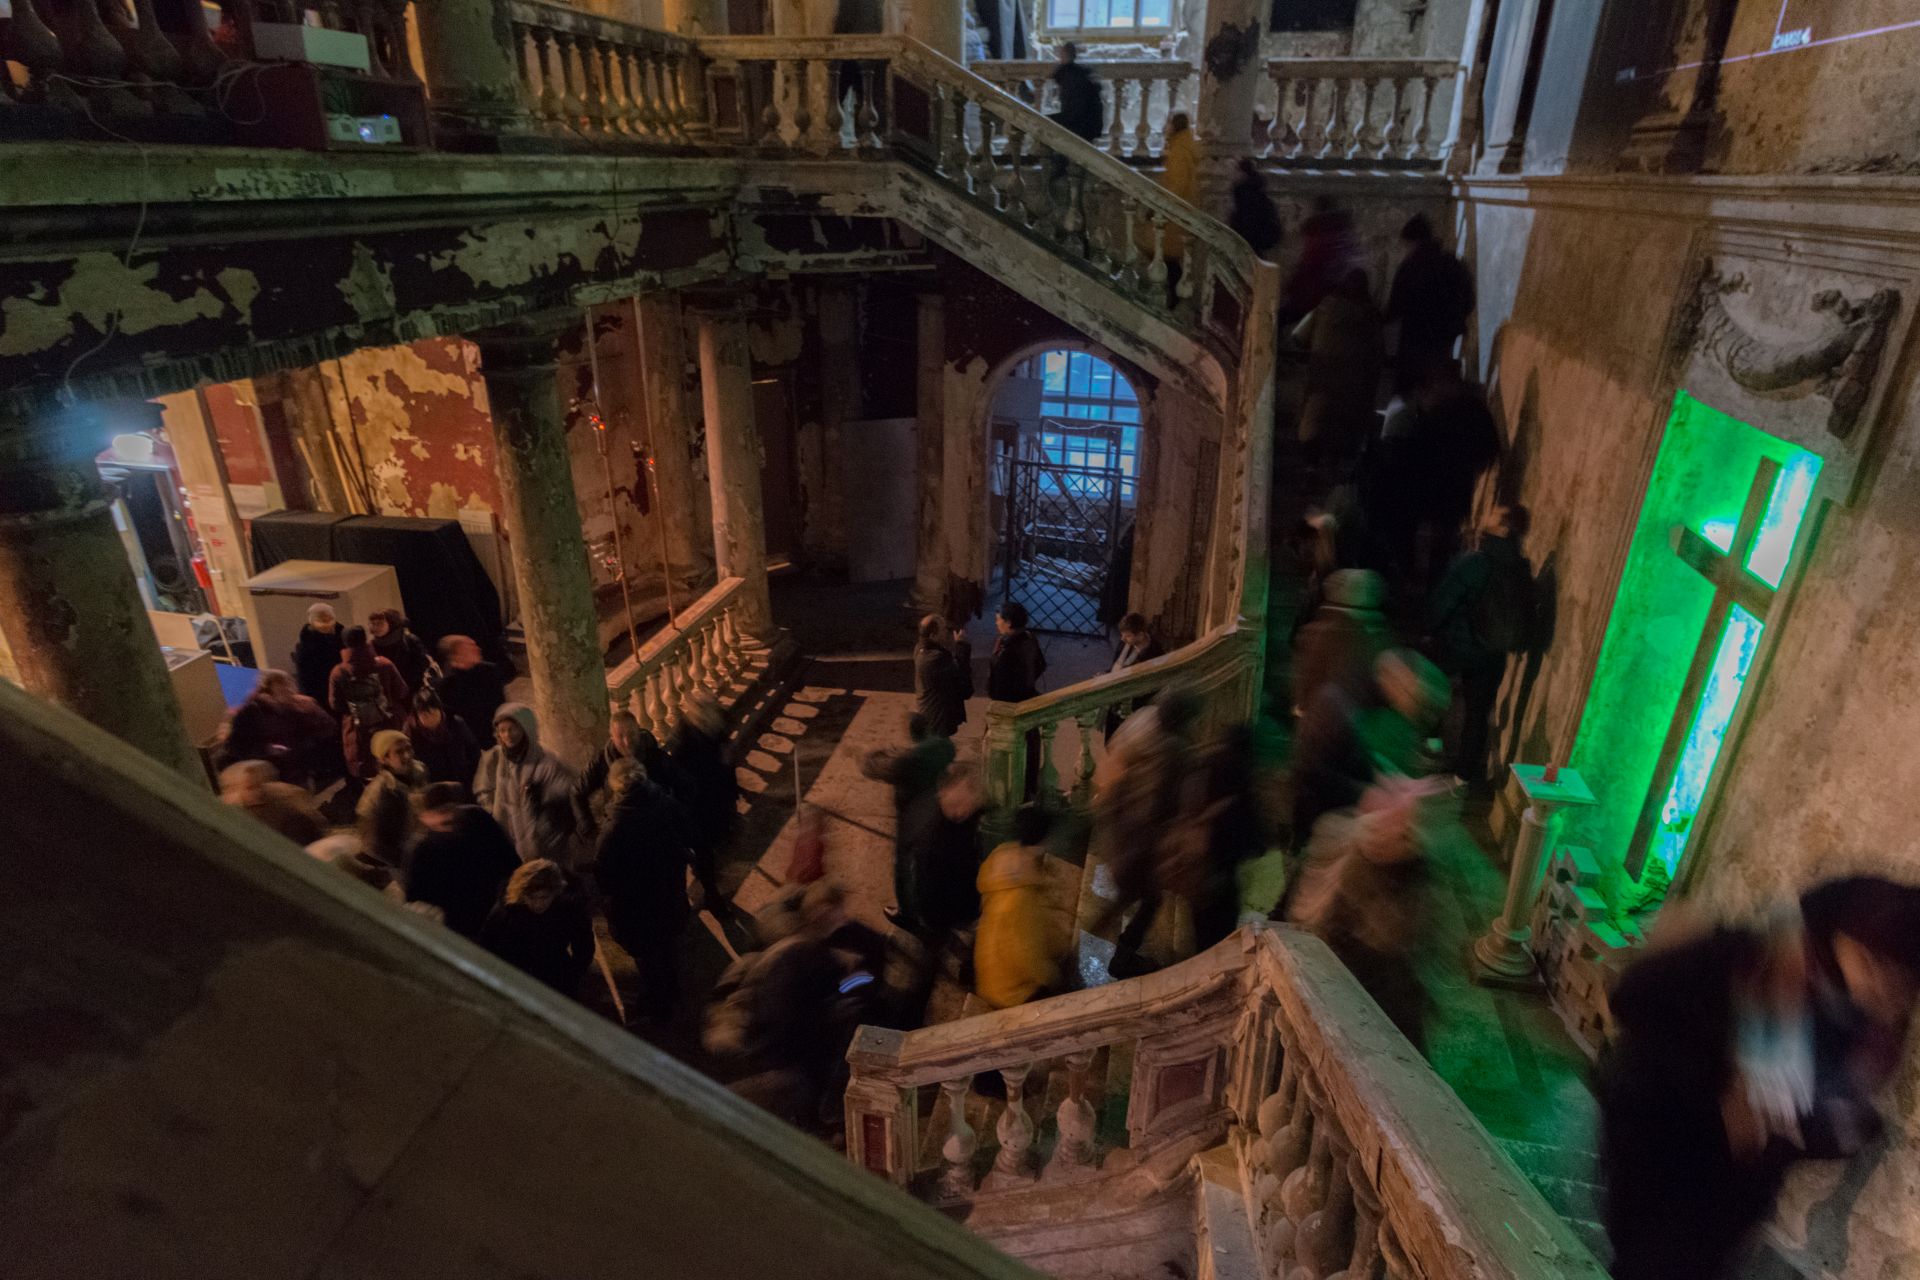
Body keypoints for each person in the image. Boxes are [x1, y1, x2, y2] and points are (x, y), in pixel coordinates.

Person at [1599, 878, 1920, 1280]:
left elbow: (1836, 1118)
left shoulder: (1858, 1030)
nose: (1881, 986)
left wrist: (1804, 1125)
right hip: (1661, 1156)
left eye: (1899, 979)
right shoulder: (1752, 957)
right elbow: (1634, 999)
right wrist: (1726, 1090)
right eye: (1871, 963)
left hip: (1727, 1201)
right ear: (1838, 933)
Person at [1286, 775, 1454, 1051]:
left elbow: (1392, 944)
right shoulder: (1338, 835)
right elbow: (1296, 903)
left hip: (1367, 1011)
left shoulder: (1407, 886)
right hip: (1331, 991)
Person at [710, 880, 861, 1129]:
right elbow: (788, 1018)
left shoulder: (785, 942)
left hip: (763, 1048)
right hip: (778, 1061)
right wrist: (837, 1008)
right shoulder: (810, 958)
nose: (843, 921)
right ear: (823, 914)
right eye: (839, 915)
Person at [1287, 647, 1447, 857]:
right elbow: (1314, 772)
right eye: (1412, 696)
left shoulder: (1364, 699)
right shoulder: (1339, 702)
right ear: (1398, 675)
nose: (1412, 709)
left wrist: (1384, 778)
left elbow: (1352, 757)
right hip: (1318, 827)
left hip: (1332, 819)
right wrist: (1367, 794)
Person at [1092, 687, 1200, 977]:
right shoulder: (1177, 752)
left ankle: (1106, 949)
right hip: (1145, 845)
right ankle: (1121, 955)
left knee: (1130, 899)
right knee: (1148, 899)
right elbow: (1165, 803)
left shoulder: (1152, 743)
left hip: (1129, 837)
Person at [1428, 504, 1533, 789]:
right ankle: (1463, 777)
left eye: (1495, 514)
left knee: (1429, 685)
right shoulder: (1520, 567)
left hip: (1460, 645)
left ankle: (1431, 746)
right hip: (1493, 653)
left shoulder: (1477, 562)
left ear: (1503, 528)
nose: (1488, 514)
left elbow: (1444, 599)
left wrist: (1433, 630)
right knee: (1477, 714)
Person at [595, 758, 697, 1023]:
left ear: (615, 786)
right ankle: (673, 992)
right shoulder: (666, 803)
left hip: (636, 906)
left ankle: (659, 1007)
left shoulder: (615, 827)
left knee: (648, 959)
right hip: (668, 892)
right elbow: (687, 833)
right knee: (669, 947)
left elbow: (604, 874)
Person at [861, 713, 957, 931]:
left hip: (917, 822)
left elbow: (873, 767)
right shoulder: (936, 749)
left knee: (904, 866)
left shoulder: (905, 771)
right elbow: (944, 750)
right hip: (938, 814)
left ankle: (908, 913)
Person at [1292, 268, 1384, 469]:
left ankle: (1310, 469)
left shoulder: (1325, 308)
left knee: (1313, 427)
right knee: (1342, 432)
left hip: (1321, 383)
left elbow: (1298, 337)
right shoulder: (1371, 317)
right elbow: (1377, 354)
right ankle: (1333, 470)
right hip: (1354, 390)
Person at [974, 804, 1062, 1009]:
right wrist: (1055, 979)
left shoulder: (1003, 853)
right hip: (1009, 991)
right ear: (1043, 841)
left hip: (988, 971)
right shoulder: (1021, 900)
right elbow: (1030, 958)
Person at [407, 782, 521, 940]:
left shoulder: (478, 820)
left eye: (448, 809)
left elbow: (510, 863)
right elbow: (418, 903)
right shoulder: (423, 851)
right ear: (424, 817)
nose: (446, 816)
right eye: (438, 812)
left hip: (497, 920)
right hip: (459, 934)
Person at [473, 703, 579, 866]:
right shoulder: (495, 758)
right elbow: (483, 789)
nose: (507, 735)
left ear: (525, 728)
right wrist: (494, 811)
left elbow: (568, 789)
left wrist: (543, 796)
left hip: (544, 843)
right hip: (510, 840)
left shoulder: (546, 761)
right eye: (502, 730)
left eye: (512, 729)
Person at [479, 859, 596, 998]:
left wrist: (572, 976)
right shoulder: (506, 911)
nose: (538, 904)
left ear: (555, 892)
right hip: (514, 976)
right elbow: (487, 943)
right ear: (522, 894)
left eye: (544, 897)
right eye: (532, 898)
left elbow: (584, 946)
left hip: (554, 976)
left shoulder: (569, 910)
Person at [1386, 213, 1476, 387]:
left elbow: (1395, 309)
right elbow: (1468, 301)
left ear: (1413, 241)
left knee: (1412, 390)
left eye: (1407, 245)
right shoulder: (1453, 263)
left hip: (1414, 345)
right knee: (1437, 386)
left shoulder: (1409, 268)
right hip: (1444, 344)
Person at [216, 668, 340, 788]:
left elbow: (326, 729)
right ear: (267, 689)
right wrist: (267, 749)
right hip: (262, 777)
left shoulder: (294, 707)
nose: (290, 689)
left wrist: (313, 713)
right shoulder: (250, 711)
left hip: (294, 771)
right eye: (282, 685)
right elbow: (234, 746)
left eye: (290, 683)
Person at [1290, 568, 1390, 716]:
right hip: (1345, 715)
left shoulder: (1318, 632)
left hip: (1331, 714)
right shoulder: (1379, 635)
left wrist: (1304, 707)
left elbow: (1309, 675)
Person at [670, 690, 736, 910]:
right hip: (698, 805)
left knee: (711, 846)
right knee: (704, 849)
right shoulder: (684, 737)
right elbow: (679, 775)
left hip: (716, 797)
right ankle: (711, 894)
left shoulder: (718, 725)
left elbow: (727, 760)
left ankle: (705, 877)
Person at [328, 625, 409, 781]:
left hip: (360, 731)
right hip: (390, 722)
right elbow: (402, 691)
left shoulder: (338, 672)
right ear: (365, 639)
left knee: (370, 773)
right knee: (399, 765)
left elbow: (335, 704)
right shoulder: (384, 664)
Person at [989, 601, 1047, 796]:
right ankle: (1028, 787)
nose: (996, 623)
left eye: (998, 620)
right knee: (1030, 746)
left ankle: (1012, 791)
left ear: (1009, 622)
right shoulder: (1030, 638)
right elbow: (1041, 664)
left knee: (1010, 750)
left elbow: (999, 682)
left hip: (1010, 705)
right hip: (1027, 697)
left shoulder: (1007, 649)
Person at [1280, 196, 1362, 327]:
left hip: (1315, 294)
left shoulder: (1319, 233)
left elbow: (1309, 265)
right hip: (1339, 295)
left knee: (1279, 320)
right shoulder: (1345, 233)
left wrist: (1290, 286)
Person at [357, 729, 428, 872]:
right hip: (398, 863)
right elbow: (372, 843)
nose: (407, 755)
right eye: (399, 752)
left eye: (408, 748)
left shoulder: (419, 771)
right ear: (384, 759)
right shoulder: (378, 792)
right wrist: (404, 863)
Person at [572, 710, 648, 840]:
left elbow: (682, 783)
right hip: (620, 835)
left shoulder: (653, 755)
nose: (627, 742)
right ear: (612, 737)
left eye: (631, 734)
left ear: (638, 731)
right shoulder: (601, 761)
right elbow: (577, 792)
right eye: (620, 736)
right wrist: (590, 831)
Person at [218, 759, 327, 845]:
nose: (258, 792)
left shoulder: (284, 804)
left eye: (259, 785)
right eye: (250, 788)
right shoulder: (231, 813)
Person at [434, 634, 510, 745]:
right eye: (469, 647)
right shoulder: (446, 686)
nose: (477, 649)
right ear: (456, 657)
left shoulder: (490, 671)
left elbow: (502, 705)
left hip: (496, 736)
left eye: (474, 645)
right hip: (470, 743)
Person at [1156, 113, 1198, 306]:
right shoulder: (1182, 145)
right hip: (1181, 209)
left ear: (1174, 125)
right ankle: (1175, 298)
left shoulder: (1179, 150)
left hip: (1174, 211)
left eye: (1168, 122)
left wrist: (1162, 205)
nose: (1165, 127)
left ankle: (1176, 301)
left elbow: (1177, 185)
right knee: (1168, 256)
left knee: (1166, 256)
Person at [1104, 611, 1165, 735]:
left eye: (1127, 636)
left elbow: (1155, 679)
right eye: (1122, 634)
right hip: (1118, 692)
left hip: (1137, 698)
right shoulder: (1124, 643)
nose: (1122, 638)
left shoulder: (1154, 651)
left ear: (1141, 635)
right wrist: (1107, 673)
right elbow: (1116, 664)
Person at [913, 614, 974, 741]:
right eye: (944, 629)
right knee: (938, 747)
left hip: (931, 713)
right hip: (937, 715)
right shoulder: (935, 658)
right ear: (933, 635)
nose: (947, 633)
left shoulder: (921, 649)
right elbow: (960, 677)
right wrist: (961, 646)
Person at [404, 690, 481, 787]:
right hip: (431, 786)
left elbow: (473, 750)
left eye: (433, 713)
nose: (430, 719)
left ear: (440, 710)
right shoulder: (411, 732)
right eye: (424, 715)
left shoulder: (455, 723)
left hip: (462, 781)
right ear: (417, 716)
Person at [368, 609, 436, 698]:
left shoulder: (409, 640)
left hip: (413, 692)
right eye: (373, 623)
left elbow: (424, 664)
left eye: (380, 623)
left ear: (392, 623)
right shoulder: (372, 645)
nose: (375, 627)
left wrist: (411, 687)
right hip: (389, 695)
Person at [1048, 42, 1104, 147]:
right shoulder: (1081, 74)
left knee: (1044, 123)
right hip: (1091, 125)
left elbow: (1074, 112)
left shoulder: (1069, 77)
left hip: (1081, 125)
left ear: (1064, 55)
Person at [1228, 157, 1282, 258]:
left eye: (1236, 171)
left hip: (1249, 243)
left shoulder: (1246, 195)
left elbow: (1248, 222)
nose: (1232, 175)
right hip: (1253, 244)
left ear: (1243, 173)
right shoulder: (1253, 192)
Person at [292, 602, 345, 704]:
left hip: (343, 689)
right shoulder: (306, 645)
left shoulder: (342, 638)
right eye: (322, 620)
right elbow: (304, 677)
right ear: (312, 622)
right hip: (320, 693)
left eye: (329, 619)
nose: (326, 624)